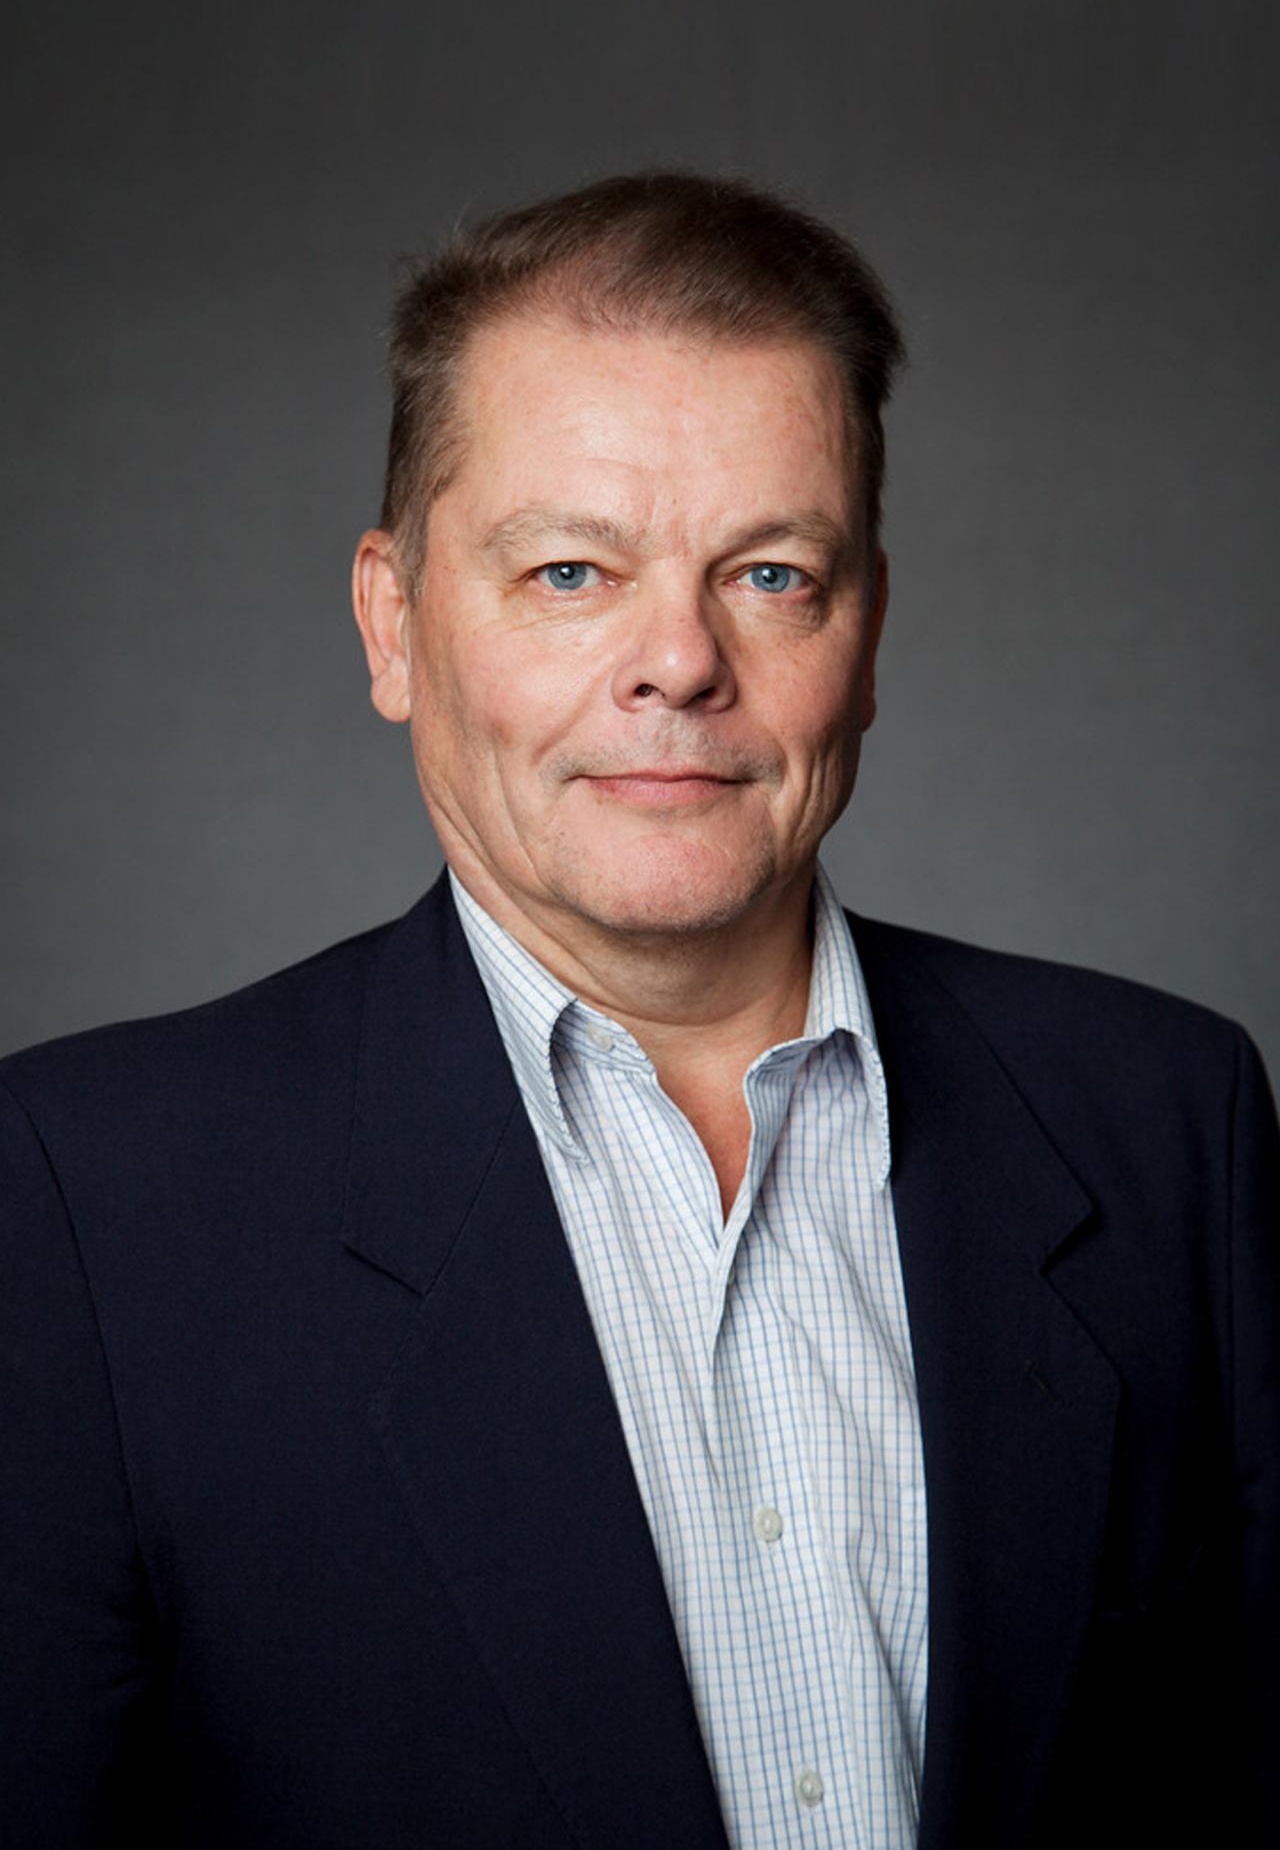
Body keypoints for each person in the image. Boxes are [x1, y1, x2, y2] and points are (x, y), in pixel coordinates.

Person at [1, 171, 1275, 1850]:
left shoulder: (1168, 1122)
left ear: (867, 633)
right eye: (569, 574)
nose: (678, 664)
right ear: (394, 623)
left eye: (768, 574)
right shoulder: (89, 1204)